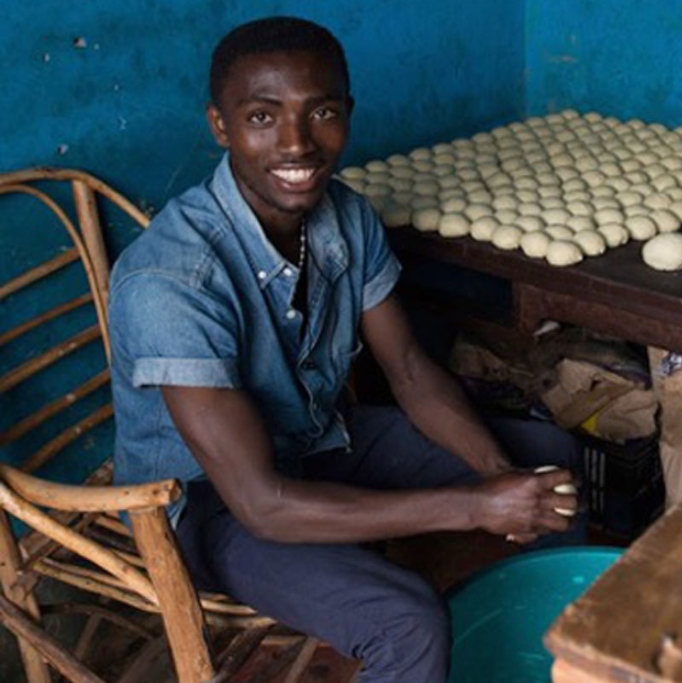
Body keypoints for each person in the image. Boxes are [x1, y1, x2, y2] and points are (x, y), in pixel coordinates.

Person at [109, 16, 584, 683]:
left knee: (549, 464)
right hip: (211, 504)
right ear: (220, 126)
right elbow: (263, 503)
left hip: (312, 438)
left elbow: (412, 372)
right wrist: (478, 505)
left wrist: (503, 480)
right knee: (407, 620)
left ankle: (541, 655)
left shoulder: (344, 216)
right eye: (262, 117)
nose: (298, 143)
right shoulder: (172, 280)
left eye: (322, 112)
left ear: (348, 113)